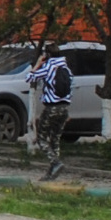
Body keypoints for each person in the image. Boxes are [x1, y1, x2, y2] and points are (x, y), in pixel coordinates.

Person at [31, 50, 74, 178]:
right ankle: (51, 173)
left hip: (51, 108)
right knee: (55, 139)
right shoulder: (67, 69)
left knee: (41, 139)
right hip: (64, 108)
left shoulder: (48, 67)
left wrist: (38, 64)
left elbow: (30, 78)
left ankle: (55, 163)